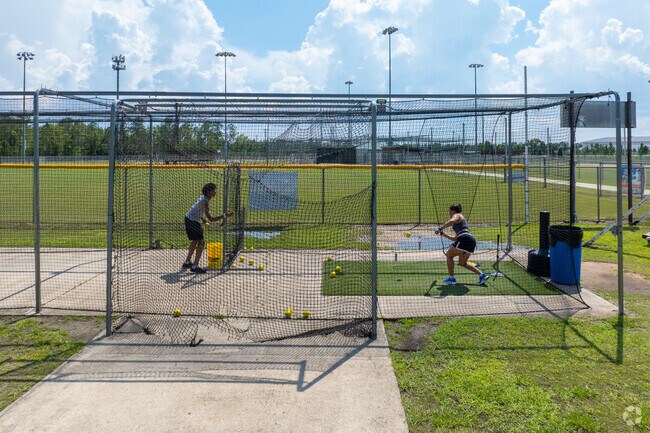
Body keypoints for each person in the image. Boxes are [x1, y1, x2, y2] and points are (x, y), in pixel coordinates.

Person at [183, 183, 232, 274]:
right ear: (209, 192)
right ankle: (194, 266)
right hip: (192, 221)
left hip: (189, 219)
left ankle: (187, 262)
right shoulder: (204, 201)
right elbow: (211, 218)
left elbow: (197, 210)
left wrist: (203, 220)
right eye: (213, 190)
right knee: (201, 242)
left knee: (195, 241)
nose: (215, 192)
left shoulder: (204, 198)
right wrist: (225, 215)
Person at [435, 204, 489, 286]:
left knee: (449, 256)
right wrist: (444, 235)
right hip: (470, 241)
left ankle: (452, 278)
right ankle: (482, 275)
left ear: (453, 210)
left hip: (464, 239)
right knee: (462, 263)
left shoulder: (457, 215)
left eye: (449, 211)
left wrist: (440, 228)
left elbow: (452, 221)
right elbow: (455, 238)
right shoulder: (461, 224)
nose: (449, 213)